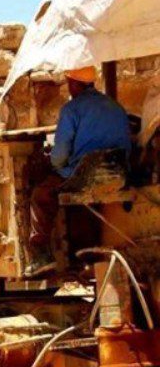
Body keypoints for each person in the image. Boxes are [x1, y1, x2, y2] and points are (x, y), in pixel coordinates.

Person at [27, 66, 131, 277]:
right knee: (79, 196)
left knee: (41, 194)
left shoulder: (71, 109)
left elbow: (59, 156)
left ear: (74, 84)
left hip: (86, 176)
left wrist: (57, 165)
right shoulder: (116, 106)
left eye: (69, 83)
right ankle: (88, 258)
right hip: (117, 174)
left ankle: (41, 257)